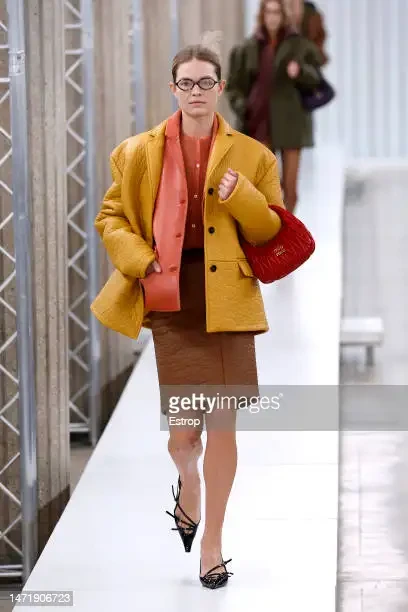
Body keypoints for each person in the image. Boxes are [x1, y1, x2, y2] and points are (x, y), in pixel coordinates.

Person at [91, 43, 285, 589]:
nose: (195, 91)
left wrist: (243, 197)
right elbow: (110, 217)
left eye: (205, 82)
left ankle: (213, 544)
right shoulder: (138, 152)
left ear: (221, 87)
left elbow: (271, 228)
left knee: (222, 424)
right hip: (173, 297)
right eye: (186, 83)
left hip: (229, 299)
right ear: (172, 88)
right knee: (183, 438)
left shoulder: (254, 156)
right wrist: (139, 258)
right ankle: (189, 483)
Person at [226, 0, 323, 214]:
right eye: (268, 12)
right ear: (262, 15)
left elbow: (316, 79)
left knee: (290, 188)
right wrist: (244, 108)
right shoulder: (248, 48)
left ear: (283, 15)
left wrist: (299, 72)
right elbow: (233, 87)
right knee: (268, 186)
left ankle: (288, 227)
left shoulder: (298, 45)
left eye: (277, 12)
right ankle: (273, 226)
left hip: (291, 123)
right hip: (259, 122)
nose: (272, 17)